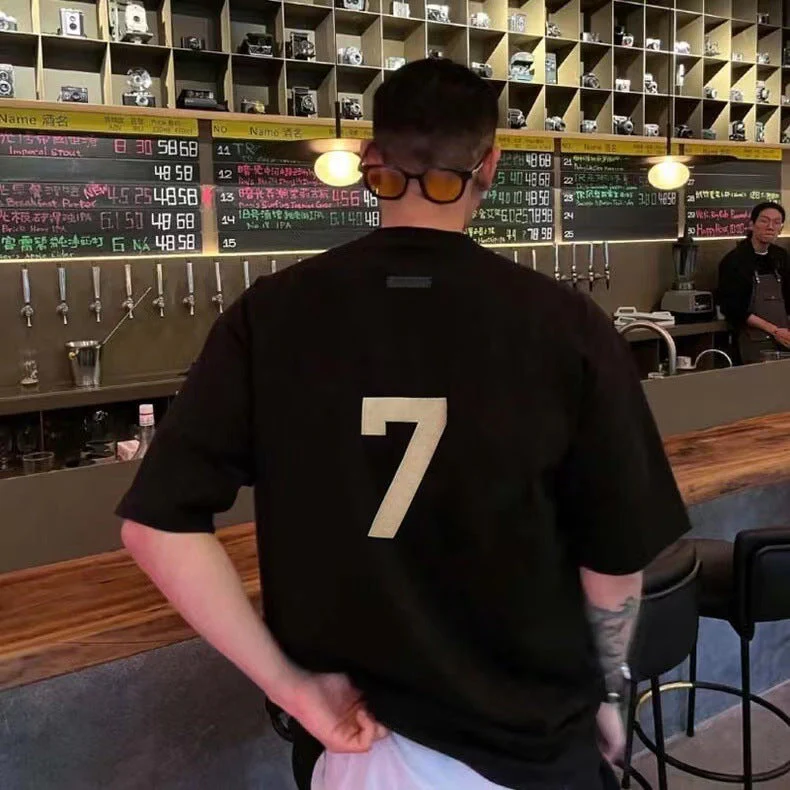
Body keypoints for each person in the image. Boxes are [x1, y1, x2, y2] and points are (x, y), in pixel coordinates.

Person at [117, 58, 690, 790]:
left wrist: (293, 688)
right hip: (528, 743)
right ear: (490, 165)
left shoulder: (272, 315)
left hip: (353, 746)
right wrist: (607, 688)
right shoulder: (565, 324)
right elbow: (612, 562)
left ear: (369, 161)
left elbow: (154, 528)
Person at [718, 201, 790, 363]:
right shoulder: (734, 261)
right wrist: (774, 331)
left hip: (784, 338)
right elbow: (734, 309)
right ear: (751, 225)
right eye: (764, 221)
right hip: (752, 341)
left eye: (776, 222)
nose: (770, 227)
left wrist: (783, 332)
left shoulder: (781, 256)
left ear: (780, 228)